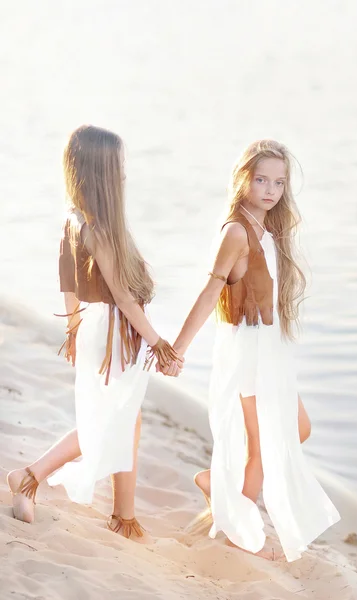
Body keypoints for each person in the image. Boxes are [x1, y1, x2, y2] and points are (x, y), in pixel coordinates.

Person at [166, 139, 340, 560]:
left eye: (278, 182)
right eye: (261, 179)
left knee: (297, 428)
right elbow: (210, 292)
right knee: (262, 447)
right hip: (249, 352)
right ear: (242, 178)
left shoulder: (268, 228)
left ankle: (217, 485)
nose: (270, 190)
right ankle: (236, 535)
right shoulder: (236, 231)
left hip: (271, 348)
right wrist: (178, 349)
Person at [7, 125, 183, 541]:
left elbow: (66, 283)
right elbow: (124, 298)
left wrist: (72, 328)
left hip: (91, 325)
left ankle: (124, 515)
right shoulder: (101, 231)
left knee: (126, 416)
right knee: (108, 419)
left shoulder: (73, 219)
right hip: (113, 333)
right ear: (100, 173)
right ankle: (30, 475)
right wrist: (158, 343)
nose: (123, 175)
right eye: (117, 167)